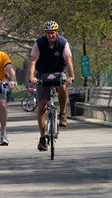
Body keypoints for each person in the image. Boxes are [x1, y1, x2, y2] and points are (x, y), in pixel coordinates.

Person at [29, 21, 75, 151]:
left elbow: (69, 60)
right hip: (42, 73)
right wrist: (32, 77)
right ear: (45, 34)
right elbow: (33, 61)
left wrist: (71, 76)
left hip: (58, 72)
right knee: (42, 105)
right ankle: (42, 137)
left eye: (53, 33)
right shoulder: (39, 43)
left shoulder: (63, 43)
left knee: (62, 86)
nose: (50, 36)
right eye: (48, 33)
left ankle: (63, 113)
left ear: (57, 32)